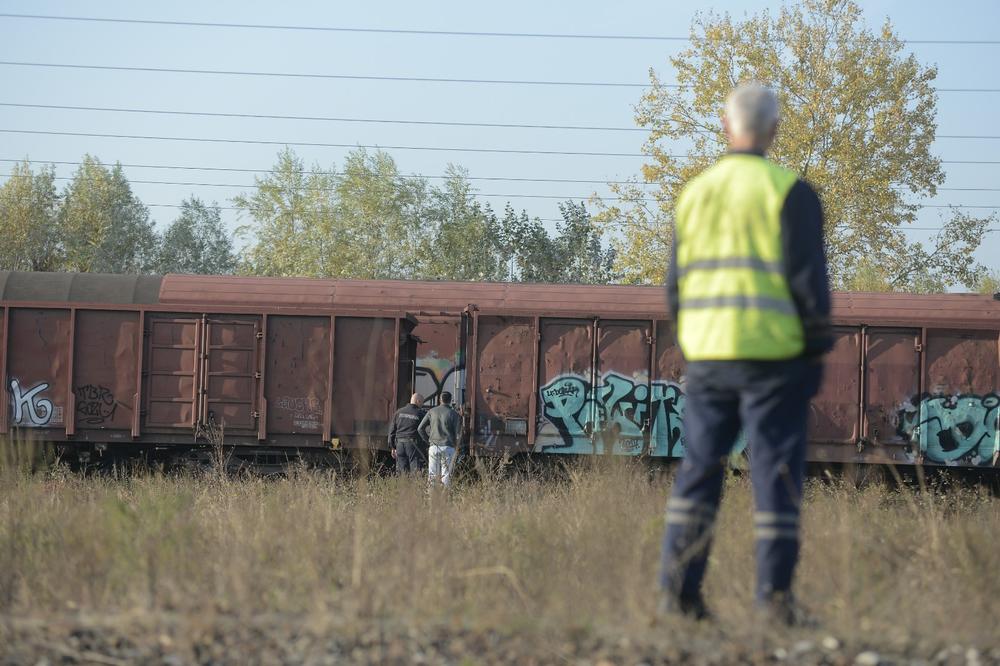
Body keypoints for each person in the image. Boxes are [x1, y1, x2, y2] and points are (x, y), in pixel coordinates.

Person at [659, 83, 832, 626]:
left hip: (708, 357)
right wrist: (816, 351)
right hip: (774, 360)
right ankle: (774, 604)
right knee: (775, 475)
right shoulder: (791, 193)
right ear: (774, 130)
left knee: (699, 471)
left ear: (723, 125)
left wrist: (695, 340)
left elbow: (675, 288)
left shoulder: (695, 193)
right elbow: (810, 287)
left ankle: (679, 598)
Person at [418, 391, 462, 486]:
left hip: (433, 446)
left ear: (440, 400)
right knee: (446, 474)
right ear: (450, 401)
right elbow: (458, 434)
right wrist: (457, 447)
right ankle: (444, 497)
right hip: (448, 447)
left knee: (432, 474)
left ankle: (431, 497)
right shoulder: (454, 414)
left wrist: (428, 441)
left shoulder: (431, 411)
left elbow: (420, 428)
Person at [389, 393, 427, 474]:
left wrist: (392, 447)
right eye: (422, 402)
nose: (422, 405)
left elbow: (392, 431)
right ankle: (414, 486)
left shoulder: (398, 412)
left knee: (402, 471)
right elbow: (424, 429)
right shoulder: (420, 414)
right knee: (415, 471)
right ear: (418, 401)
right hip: (413, 445)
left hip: (400, 445)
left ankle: (403, 486)